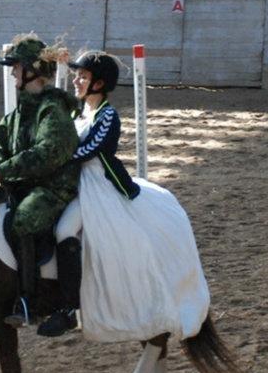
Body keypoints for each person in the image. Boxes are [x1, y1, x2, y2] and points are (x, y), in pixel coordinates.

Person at [44, 50, 211, 343]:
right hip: (71, 181)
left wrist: (58, 158)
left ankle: (70, 308)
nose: (76, 80)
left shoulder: (107, 115)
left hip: (97, 184)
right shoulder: (77, 111)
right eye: (76, 75)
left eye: (83, 76)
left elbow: (91, 148)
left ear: (99, 84)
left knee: (65, 229)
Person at [0, 33, 79, 328]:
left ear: (32, 70)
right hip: (22, 183)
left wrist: (5, 169)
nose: (12, 73)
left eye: (16, 68)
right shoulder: (16, 114)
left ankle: (29, 300)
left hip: (54, 187)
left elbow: (47, 153)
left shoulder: (53, 111)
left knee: (24, 217)